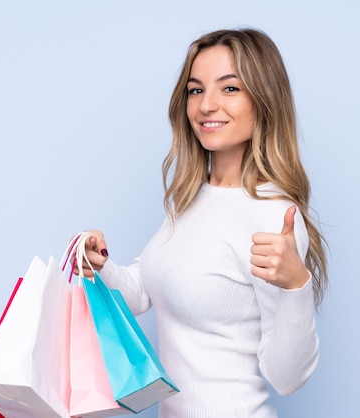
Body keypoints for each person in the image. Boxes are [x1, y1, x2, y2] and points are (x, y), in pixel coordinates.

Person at [76, 28, 328, 418]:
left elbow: (287, 378)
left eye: (229, 89)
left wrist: (296, 285)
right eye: (196, 90)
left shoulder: (271, 214)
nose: (207, 105)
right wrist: (98, 264)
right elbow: (142, 292)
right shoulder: (192, 198)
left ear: (263, 100)